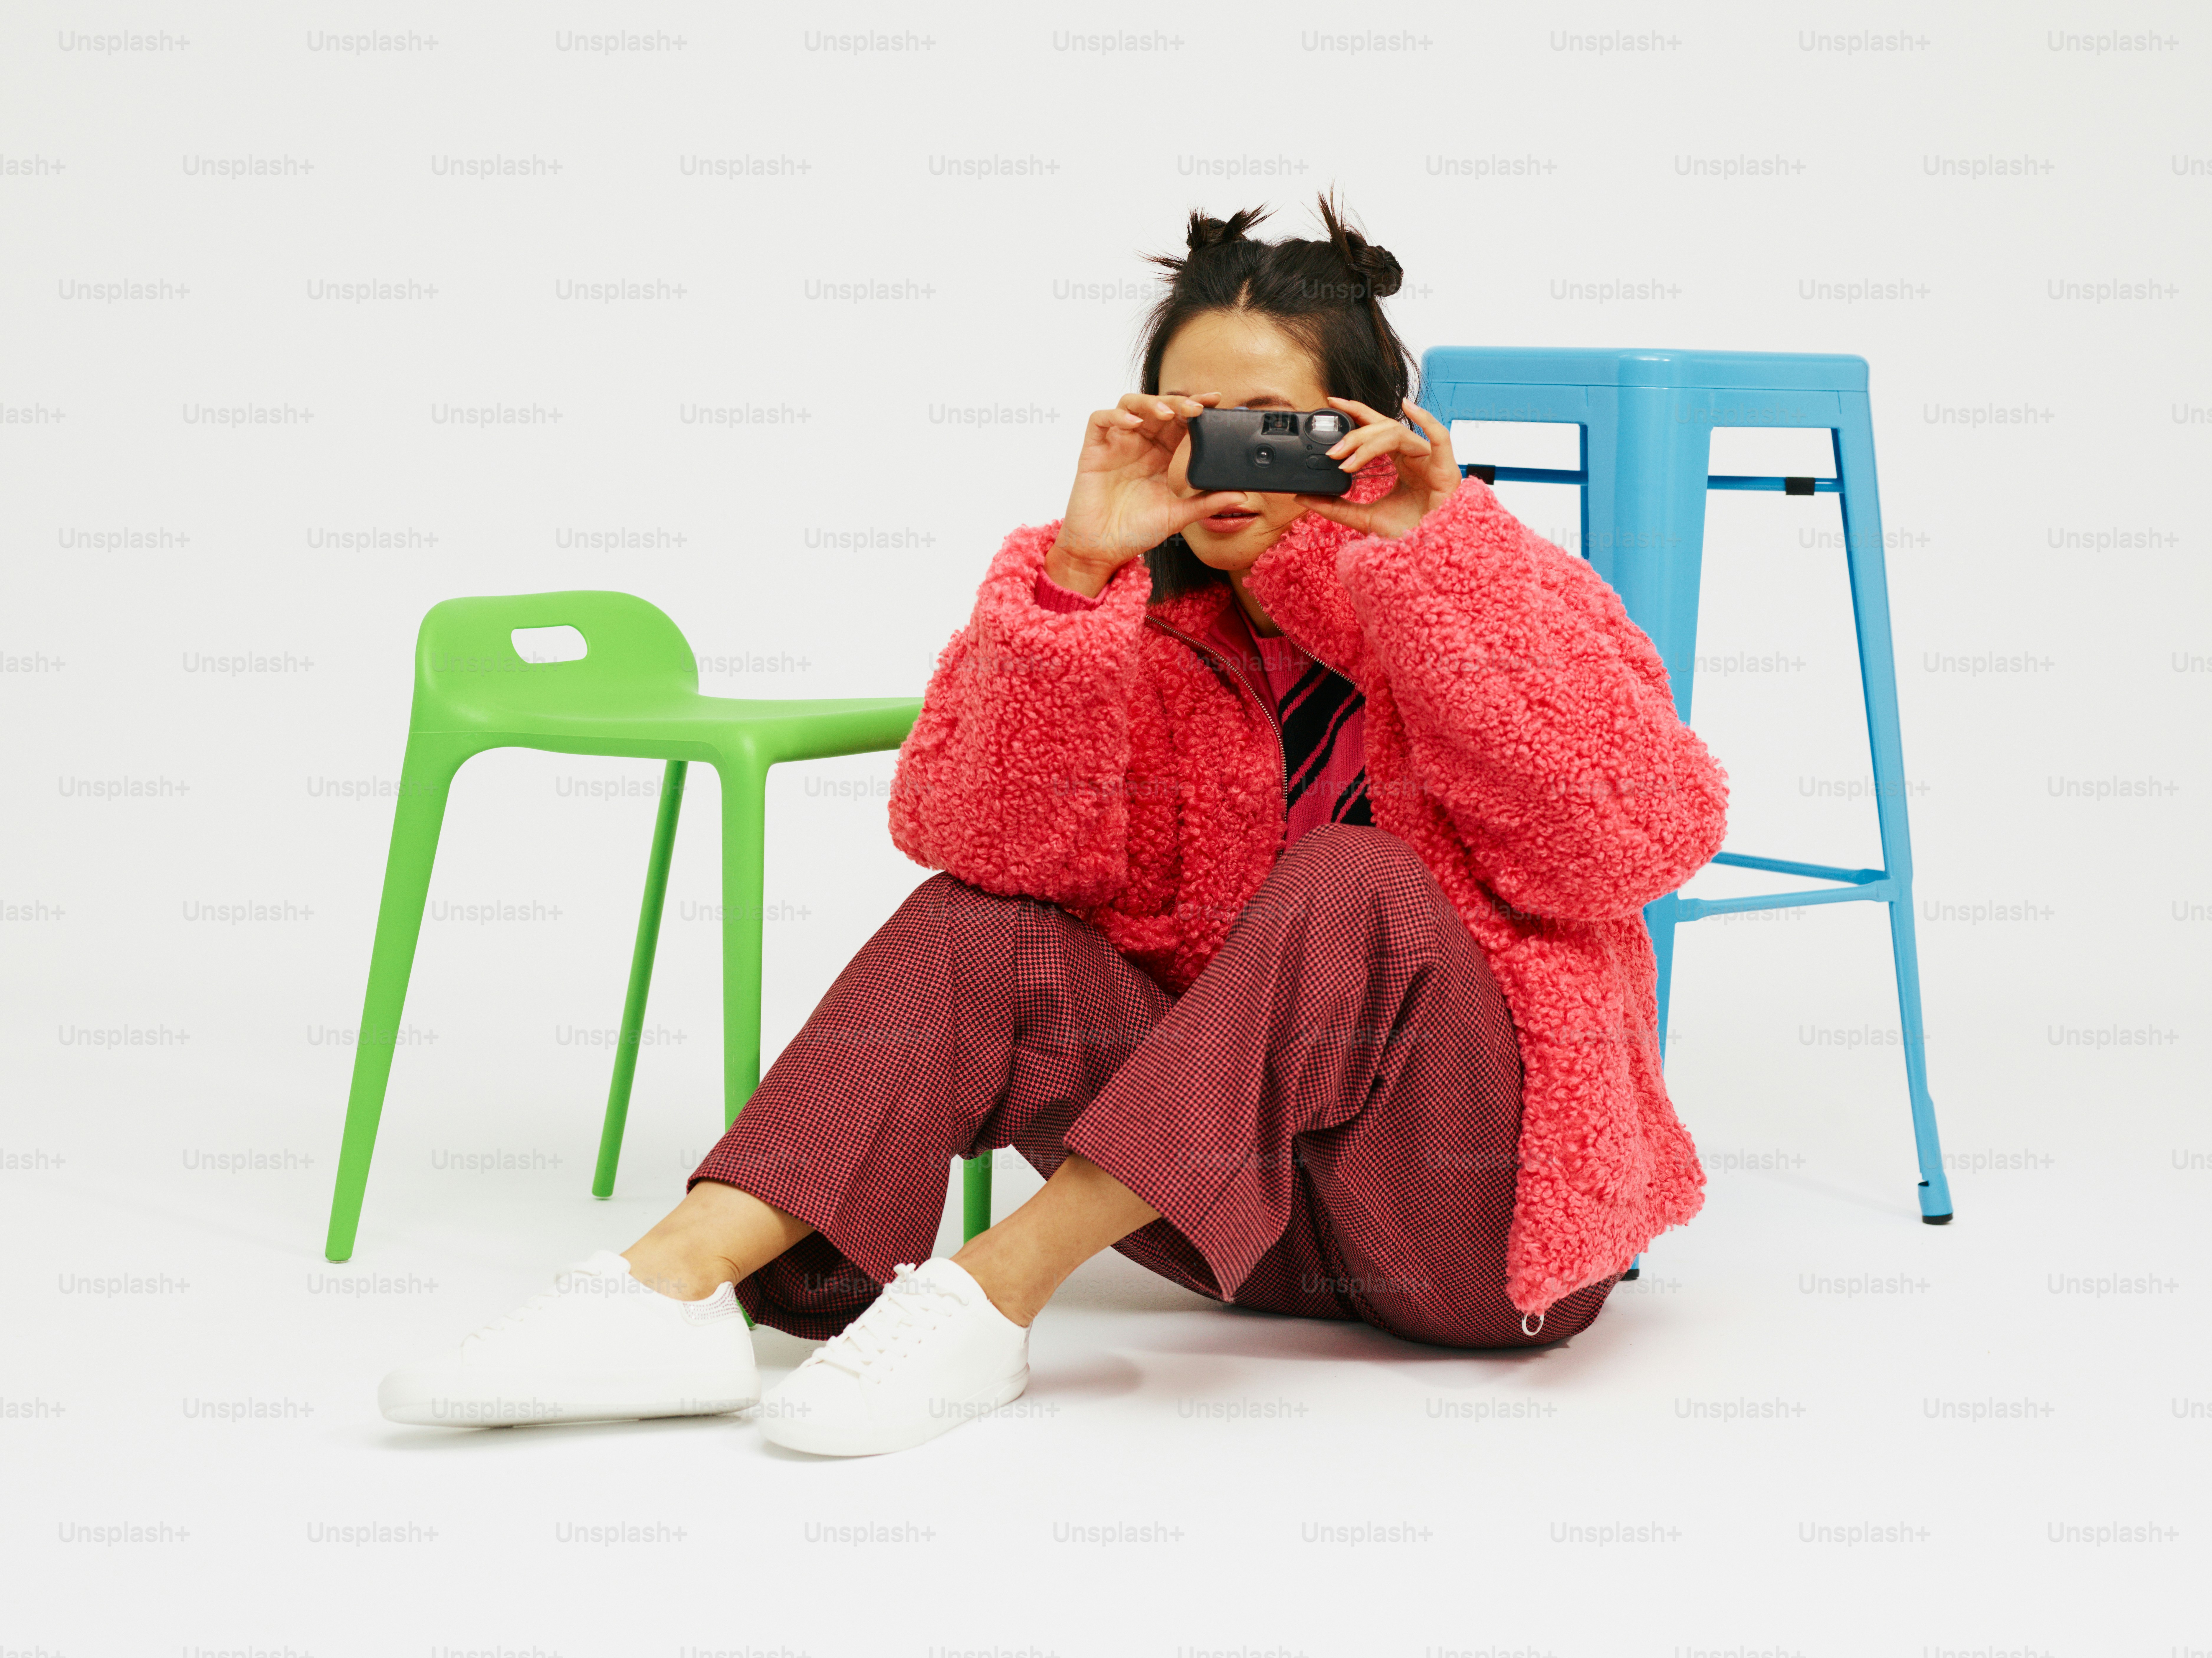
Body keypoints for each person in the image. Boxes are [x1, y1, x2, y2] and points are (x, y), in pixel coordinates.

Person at [378, 196, 1729, 1456]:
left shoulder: (1495, 579)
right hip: (1244, 1229)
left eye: (1279, 422)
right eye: (1203, 420)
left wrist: (1439, 562)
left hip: (1472, 1239)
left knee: (1356, 879)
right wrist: (1081, 577)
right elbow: (977, 841)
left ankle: (988, 1300)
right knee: (989, 921)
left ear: (1364, 434)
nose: (1234, 460)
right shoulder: (1138, 621)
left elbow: (1631, 846)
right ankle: (665, 1291)